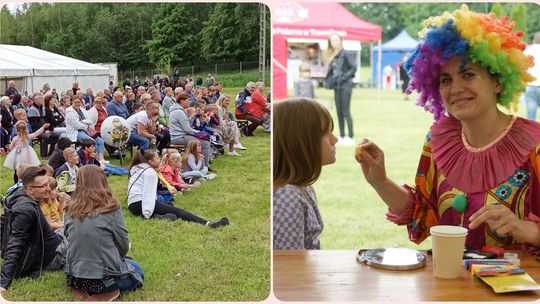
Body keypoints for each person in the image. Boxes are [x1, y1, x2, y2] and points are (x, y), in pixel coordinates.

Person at [357, 5, 540, 252]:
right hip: (450, 283)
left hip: (518, 287)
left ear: (497, 81)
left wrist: (528, 230)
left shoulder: (534, 144)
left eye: (468, 75)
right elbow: (423, 213)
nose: (455, 89)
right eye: (446, 80)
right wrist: (379, 181)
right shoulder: (438, 139)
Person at [64, 165, 143, 301]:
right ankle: (108, 292)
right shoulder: (111, 208)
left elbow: (67, 236)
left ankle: (82, 288)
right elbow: (123, 243)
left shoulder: (69, 208)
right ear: (102, 180)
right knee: (136, 269)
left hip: (74, 273)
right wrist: (120, 257)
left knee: (126, 261)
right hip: (104, 275)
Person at [273, 98, 338, 250]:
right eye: (325, 133)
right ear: (299, 142)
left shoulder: (303, 187)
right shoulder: (287, 197)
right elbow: (289, 265)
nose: (335, 139)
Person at [0, 167, 66, 293]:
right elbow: (15, 243)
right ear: (30, 189)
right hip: (52, 257)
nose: (48, 188)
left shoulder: (16, 195)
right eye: (43, 186)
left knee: (71, 229)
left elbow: (3, 223)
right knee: (84, 238)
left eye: (48, 184)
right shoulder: (26, 211)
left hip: (51, 242)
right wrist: (3, 282)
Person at [127, 150, 229, 227]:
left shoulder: (139, 169)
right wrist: (147, 214)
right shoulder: (150, 172)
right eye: (157, 158)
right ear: (150, 161)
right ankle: (208, 224)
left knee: (168, 205)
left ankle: (160, 216)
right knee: (177, 211)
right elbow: (148, 194)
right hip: (140, 204)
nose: (160, 159)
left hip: (133, 205)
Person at [324, 33, 357, 146]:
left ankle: (351, 137)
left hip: (345, 86)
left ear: (341, 41)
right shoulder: (334, 56)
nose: (335, 43)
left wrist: (343, 77)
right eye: (333, 41)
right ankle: (342, 135)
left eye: (336, 40)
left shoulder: (346, 54)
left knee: (346, 111)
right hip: (336, 87)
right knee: (338, 112)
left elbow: (354, 67)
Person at [169, 93, 213, 169]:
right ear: (182, 101)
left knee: (204, 138)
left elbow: (186, 125)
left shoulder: (178, 110)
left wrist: (193, 116)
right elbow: (187, 129)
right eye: (188, 100)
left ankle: (199, 164)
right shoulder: (179, 112)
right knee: (205, 143)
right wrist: (198, 133)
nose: (189, 102)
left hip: (181, 135)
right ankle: (205, 167)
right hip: (179, 137)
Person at [65, 97, 105, 162]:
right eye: (75, 102)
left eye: (79, 102)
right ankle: (96, 159)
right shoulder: (69, 112)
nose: (77, 104)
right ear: (72, 103)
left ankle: (101, 158)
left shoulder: (82, 110)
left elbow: (89, 120)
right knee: (92, 142)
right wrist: (86, 126)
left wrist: (82, 121)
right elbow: (76, 125)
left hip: (86, 130)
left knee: (100, 141)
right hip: (76, 132)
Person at [27, 92, 60, 158]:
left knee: (55, 135)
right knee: (46, 137)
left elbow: (45, 121)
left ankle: (50, 153)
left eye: (42, 98)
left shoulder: (42, 108)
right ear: (36, 100)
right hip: (35, 130)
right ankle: (43, 155)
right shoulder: (32, 110)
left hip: (43, 129)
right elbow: (34, 125)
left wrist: (47, 129)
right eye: (41, 98)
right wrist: (44, 130)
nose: (43, 100)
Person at [525, 32, 540, 120]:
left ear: (534, 40)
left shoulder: (528, 50)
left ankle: (530, 134)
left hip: (530, 86)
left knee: (531, 115)